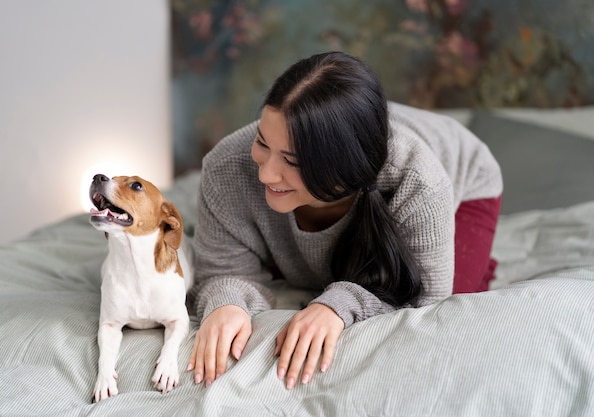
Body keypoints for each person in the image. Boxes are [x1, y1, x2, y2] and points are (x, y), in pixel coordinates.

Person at [187, 51, 503, 390]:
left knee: (453, 306)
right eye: (262, 143)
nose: (265, 173)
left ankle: (480, 264)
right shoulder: (226, 167)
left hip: (465, 176)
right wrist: (226, 303)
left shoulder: (419, 181)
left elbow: (426, 301)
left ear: (344, 168)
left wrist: (339, 305)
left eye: (292, 161)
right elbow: (223, 270)